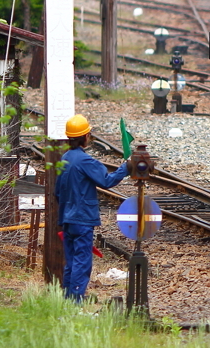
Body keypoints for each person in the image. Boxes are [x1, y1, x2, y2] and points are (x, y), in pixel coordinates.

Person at [55, 114, 129, 301]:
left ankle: (68, 300)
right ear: (85, 136)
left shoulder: (65, 158)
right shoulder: (84, 161)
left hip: (67, 219)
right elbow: (106, 180)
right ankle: (76, 303)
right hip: (82, 219)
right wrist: (125, 168)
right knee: (82, 262)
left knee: (71, 262)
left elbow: (57, 192)